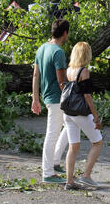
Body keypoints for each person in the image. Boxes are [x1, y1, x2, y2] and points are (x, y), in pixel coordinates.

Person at [31, 19, 70, 184]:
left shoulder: (42, 48)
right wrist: (70, 98)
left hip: (47, 96)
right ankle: (47, 173)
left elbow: (35, 75)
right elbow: (62, 81)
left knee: (70, 126)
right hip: (57, 98)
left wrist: (35, 98)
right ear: (65, 33)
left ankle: (54, 162)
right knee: (52, 134)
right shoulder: (58, 52)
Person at [63, 42, 103, 190]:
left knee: (73, 146)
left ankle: (69, 181)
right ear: (87, 54)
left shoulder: (69, 70)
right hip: (80, 112)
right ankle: (86, 176)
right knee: (97, 142)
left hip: (68, 113)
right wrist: (96, 117)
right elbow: (87, 96)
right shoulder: (84, 71)